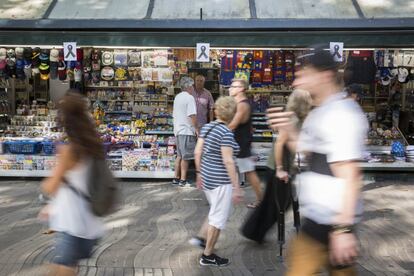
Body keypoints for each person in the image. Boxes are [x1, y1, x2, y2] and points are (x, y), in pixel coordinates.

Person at [267, 46, 368, 275]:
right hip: (317, 218)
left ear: (324, 76)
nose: (296, 83)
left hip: (333, 222)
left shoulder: (341, 114)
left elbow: (350, 175)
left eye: (304, 74)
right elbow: (306, 154)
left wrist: (342, 230)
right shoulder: (320, 112)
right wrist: (288, 130)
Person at [39, 91, 105, 276]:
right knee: (68, 267)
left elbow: (49, 186)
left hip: (71, 224)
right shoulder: (93, 144)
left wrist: (57, 167)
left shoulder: (69, 151)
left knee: (63, 269)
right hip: (90, 222)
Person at [191, 96, 243, 267]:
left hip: (207, 178)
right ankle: (207, 255)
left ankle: (203, 240)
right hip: (221, 181)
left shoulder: (207, 127)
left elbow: (197, 152)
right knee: (218, 219)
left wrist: (199, 173)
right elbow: (228, 161)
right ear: (232, 114)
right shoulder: (226, 133)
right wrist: (236, 187)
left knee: (216, 212)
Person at [228, 78, 262, 208]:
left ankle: (260, 200)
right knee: (241, 170)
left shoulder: (242, 104)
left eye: (233, 86)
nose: (230, 88)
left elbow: (233, 124)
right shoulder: (239, 103)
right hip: (240, 141)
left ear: (241, 88)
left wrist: (217, 128)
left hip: (242, 143)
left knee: (249, 172)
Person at [172, 77, 198, 187]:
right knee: (186, 157)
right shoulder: (189, 98)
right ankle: (183, 180)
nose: (193, 88)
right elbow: (192, 115)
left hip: (178, 130)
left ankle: (176, 178)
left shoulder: (177, 97)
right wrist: (196, 128)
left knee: (179, 155)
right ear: (188, 86)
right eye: (192, 86)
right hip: (186, 130)